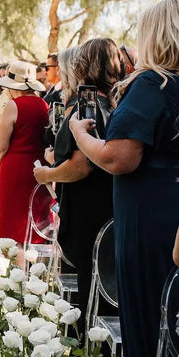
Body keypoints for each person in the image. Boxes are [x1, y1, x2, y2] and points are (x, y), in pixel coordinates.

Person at [70, 0, 179, 357]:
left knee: (149, 322)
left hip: (149, 218)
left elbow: (120, 157)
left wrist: (82, 137)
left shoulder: (152, 84)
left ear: (154, 34)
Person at [34, 39, 123, 331]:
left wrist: (47, 175)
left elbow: (81, 165)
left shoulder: (88, 105)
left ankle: (84, 355)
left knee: (89, 278)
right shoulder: (113, 102)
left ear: (85, 65)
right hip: (104, 203)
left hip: (88, 206)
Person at [0, 61, 49, 263]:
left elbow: (1, 145)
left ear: (11, 86)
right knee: (36, 217)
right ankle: (38, 270)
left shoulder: (13, 105)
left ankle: (18, 270)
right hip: (39, 168)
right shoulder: (43, 104)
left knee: (13, 220)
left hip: (15, 169)